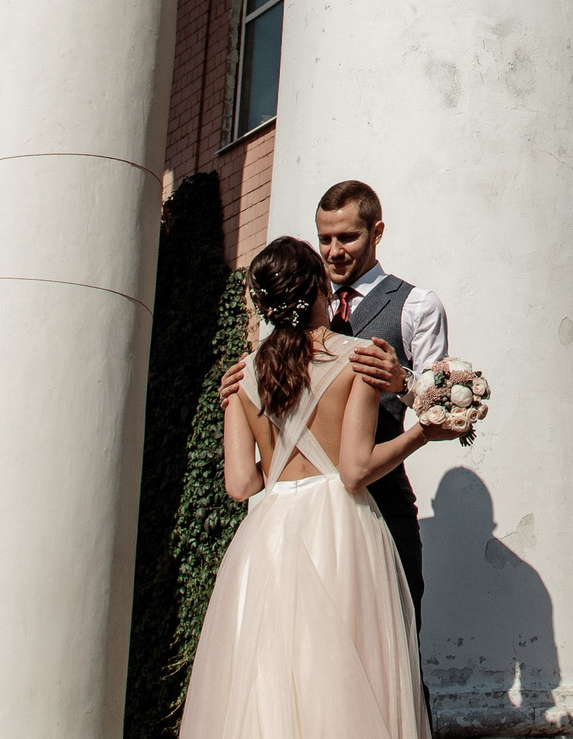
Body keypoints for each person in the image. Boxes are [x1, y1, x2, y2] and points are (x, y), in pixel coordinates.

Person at [178, 235, 454, 738]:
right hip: (339, 528)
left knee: (272, 678)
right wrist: (421, 434)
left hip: (269, 534)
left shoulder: (241, 378)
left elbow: (241, 483)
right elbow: (354, 470)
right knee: (347, 676)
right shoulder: (359, 359)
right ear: (321, 290)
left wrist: (280, 466)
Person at [310, 179, 447, 611]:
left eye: (347, 237)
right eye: (325, 239)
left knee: (397, 635)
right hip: (311, 511)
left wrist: (402, 381)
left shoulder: (417, 305)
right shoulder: (304, 304)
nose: (334, 251)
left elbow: (443, 405)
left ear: (377, 232)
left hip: (382, 501)